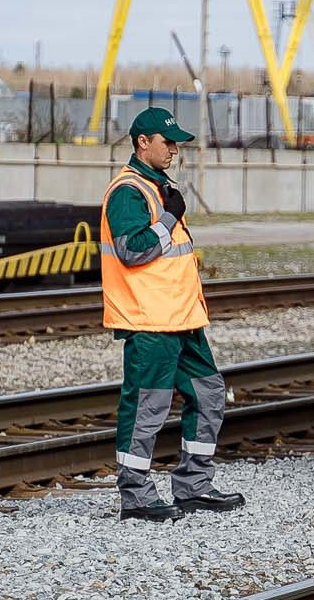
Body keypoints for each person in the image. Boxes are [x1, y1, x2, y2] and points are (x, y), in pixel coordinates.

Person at [99, 106, 246, 522]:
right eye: (168, 142)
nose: (175, 150)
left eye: (178, 143)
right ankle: (136, 494)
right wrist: (168, 219)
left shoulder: (158, 187)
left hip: (181, 320)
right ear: (143, 142)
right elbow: (133, 250)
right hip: (150, 322)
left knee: (209, 394)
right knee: (147, 405)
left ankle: (194, 486)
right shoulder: (129, 191)